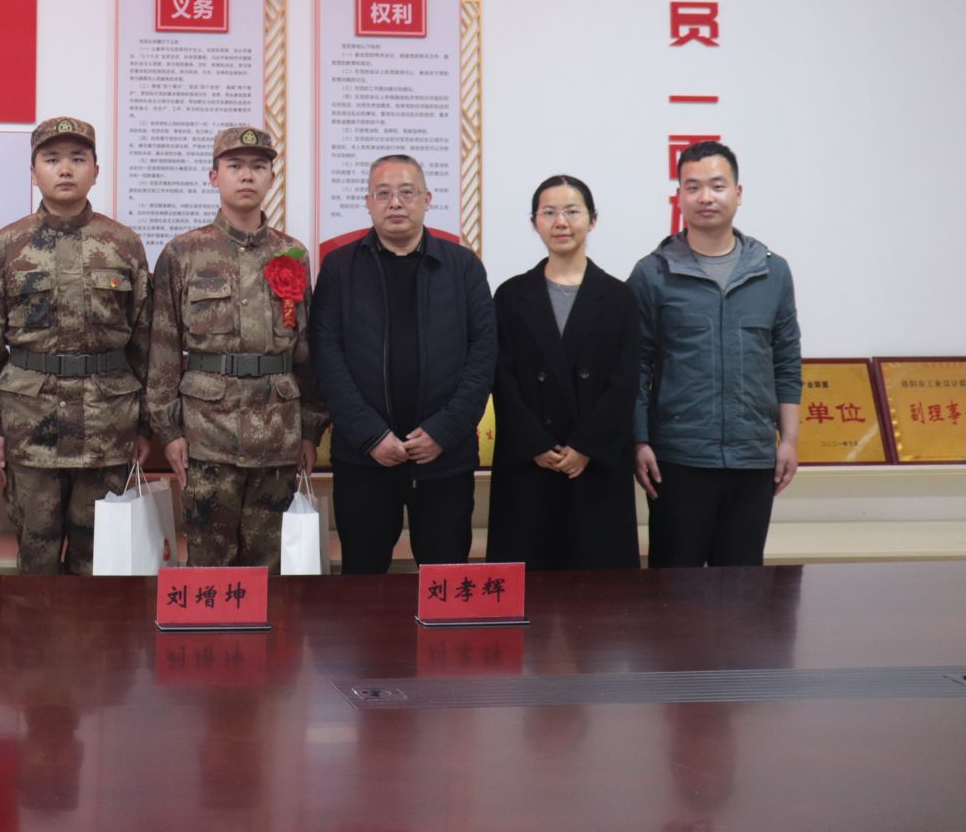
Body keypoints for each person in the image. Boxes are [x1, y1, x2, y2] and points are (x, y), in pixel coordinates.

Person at [0, 117, 151, 575]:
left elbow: (147, 343)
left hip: (107, 425)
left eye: (77, 159)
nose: (65, 169)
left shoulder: (124, 244)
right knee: (36, 559)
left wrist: (146, 426)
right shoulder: (7, 246)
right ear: (34, 173)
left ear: (96, 170)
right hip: (31, 425)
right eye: (52, 160)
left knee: (100, 562)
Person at [310, 153, 494, 574]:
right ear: (368, 202)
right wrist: (370, 435)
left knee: (446, 579)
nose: (395, 202)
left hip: (444, 459)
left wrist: (443, 431)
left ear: (427, 200)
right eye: (383, 193)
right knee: (363, 578)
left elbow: (483, 354)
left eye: (407, 192)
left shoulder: (462, 267)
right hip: (364, 459)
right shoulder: (340, 268)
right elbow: (326, 356)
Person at [146, 126, 321, 569]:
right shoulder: (183, 253)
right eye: (235, 166)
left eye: (258, 167)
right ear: (214, 177)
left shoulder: (292, 254)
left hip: (278, 436)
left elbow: (306, 350)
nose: (247, 176)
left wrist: (310, 430)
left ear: (271, 179)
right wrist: (169, 431)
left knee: (272, 568)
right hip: (207, 436)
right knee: (209, 566)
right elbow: (163, 348)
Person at [631, 141, 802, 568]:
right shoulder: (653, 273)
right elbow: (636, 365)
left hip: (752, 458)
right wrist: (639, 440)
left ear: (738, 194)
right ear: (680, 197)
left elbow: (786, 361)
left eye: (717, 186)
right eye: (693, 187)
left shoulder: (772, 271)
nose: (705, 197)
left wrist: (789, 441)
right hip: (678, 458)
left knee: (743, 588)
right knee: (674, 588)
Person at [484, 175, 642, 570]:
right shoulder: (510, 295)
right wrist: (535, 443)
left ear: (592, 220)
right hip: (529, 462)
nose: (561, 222)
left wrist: (586, 445)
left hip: (595, 464)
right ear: (534, 222)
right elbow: (501, 378)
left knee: (598, 591)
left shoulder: (620, 297)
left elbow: (625, 382)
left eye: (572, 211)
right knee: (528, 584)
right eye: (549, 212)